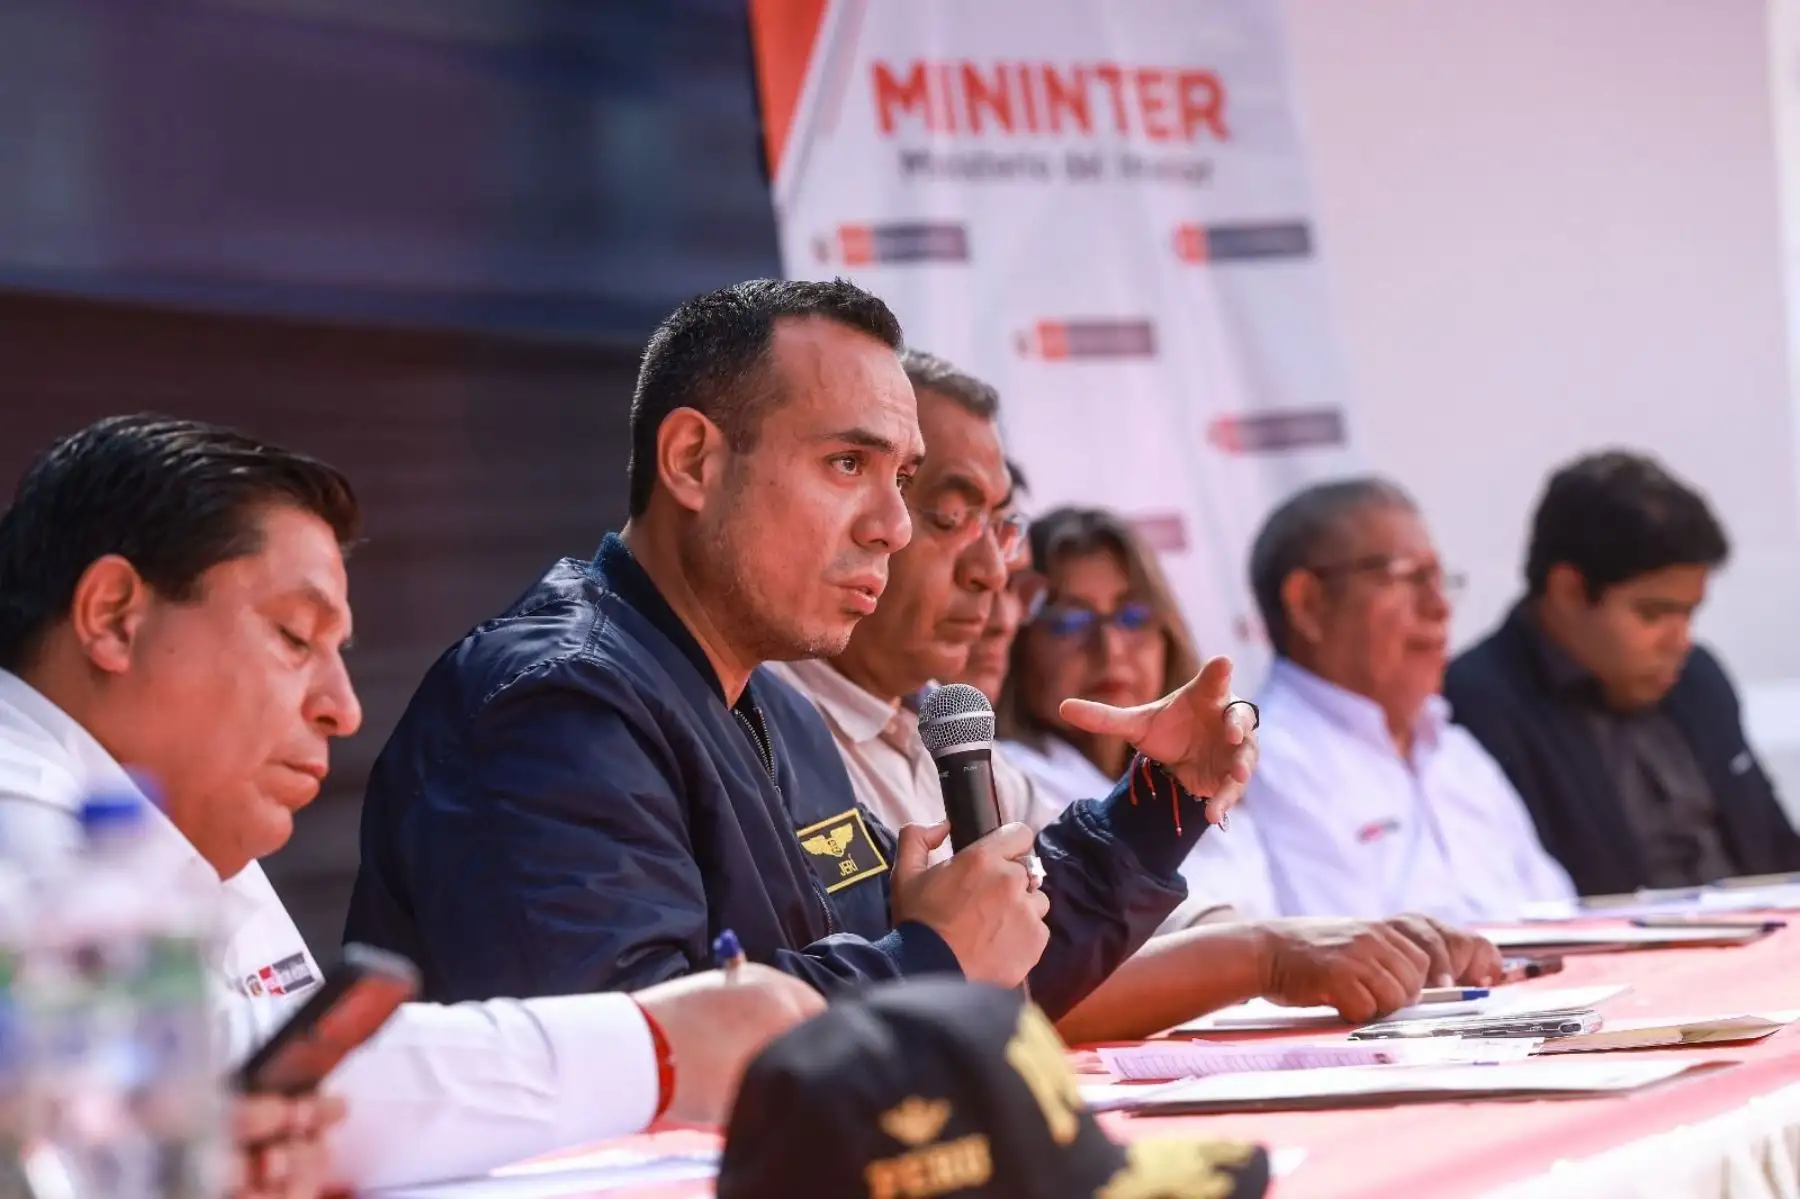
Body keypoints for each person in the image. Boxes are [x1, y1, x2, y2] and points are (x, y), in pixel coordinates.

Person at [348, 279, 1259, 1026]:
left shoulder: (773, 706)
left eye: (901, 480)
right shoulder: (557, 704)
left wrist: (1160, 804)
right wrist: (930, 957)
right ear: (694, 461)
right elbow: (642, 1052)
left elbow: (980, 957)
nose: (894, 528)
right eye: (847, 466)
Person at [0, 416, 825, 1191]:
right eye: (294, 637)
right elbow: (176, 1075)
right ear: (113, 617)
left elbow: (293, 1101)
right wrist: (659, 1048)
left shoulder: (182, 837)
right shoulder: (17, 797)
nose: (342, 707)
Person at [773, 354, 1502, 1040]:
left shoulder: (943, 731)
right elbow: (1003, 994)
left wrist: (1172, 802)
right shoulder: (776, 729)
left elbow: (1074, 935)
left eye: (1000, 527)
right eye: (948, 518)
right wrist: (1267, 955)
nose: (992, 572)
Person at [1446, 451, 1800, 894]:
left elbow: (1776, 848)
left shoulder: (1698, 679)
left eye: (1690, 613)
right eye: (1653, 614)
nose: (1680, 640)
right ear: (1569, 590)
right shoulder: (1478, 706)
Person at [1242, 478, 1575, 921]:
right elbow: (1332, 965)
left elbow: (1560, 916)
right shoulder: (1261, 764)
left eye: (1439, 579)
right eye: (1409, 578)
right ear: (1309, 603)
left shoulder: (1458, 754)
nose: (1440, 607)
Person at [996, 505, 1280, 924]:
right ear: (1018, 641)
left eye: (1133, 617)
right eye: (1070, 621)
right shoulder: (1007, 779)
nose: (1109, 648)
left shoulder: (1213, 761)